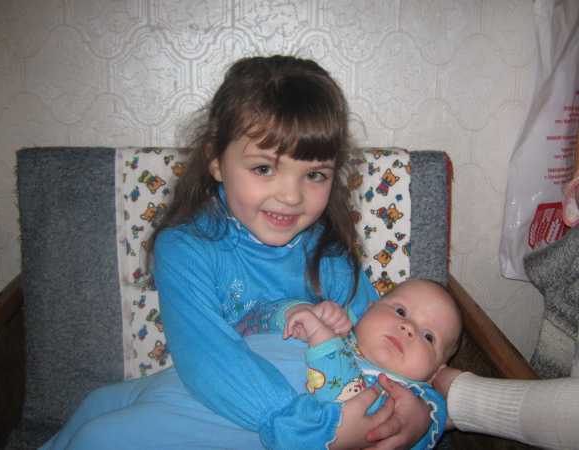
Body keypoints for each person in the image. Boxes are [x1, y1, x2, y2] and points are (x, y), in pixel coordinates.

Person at [40, 55, 432, 450]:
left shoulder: (330, 257)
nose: (291, 196)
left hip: (286, 420)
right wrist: (303, 428)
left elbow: (386, 352)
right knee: (97, 405)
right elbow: (206, 357)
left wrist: (425, 412)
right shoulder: (186, 247)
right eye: (264, 169)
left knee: (99, 439)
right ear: (215, 159)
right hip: (235, 394)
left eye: (314, 175)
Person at [235, 279, 462, 449]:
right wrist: (298, 311)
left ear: (434, 373)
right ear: (370, 308)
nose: (409, 327)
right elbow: (251, 323)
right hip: (234, 384)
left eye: (429, 337)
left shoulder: (409, 400)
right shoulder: (336, 321)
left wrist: (324, 341)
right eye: (400, 311)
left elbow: (429, 415)